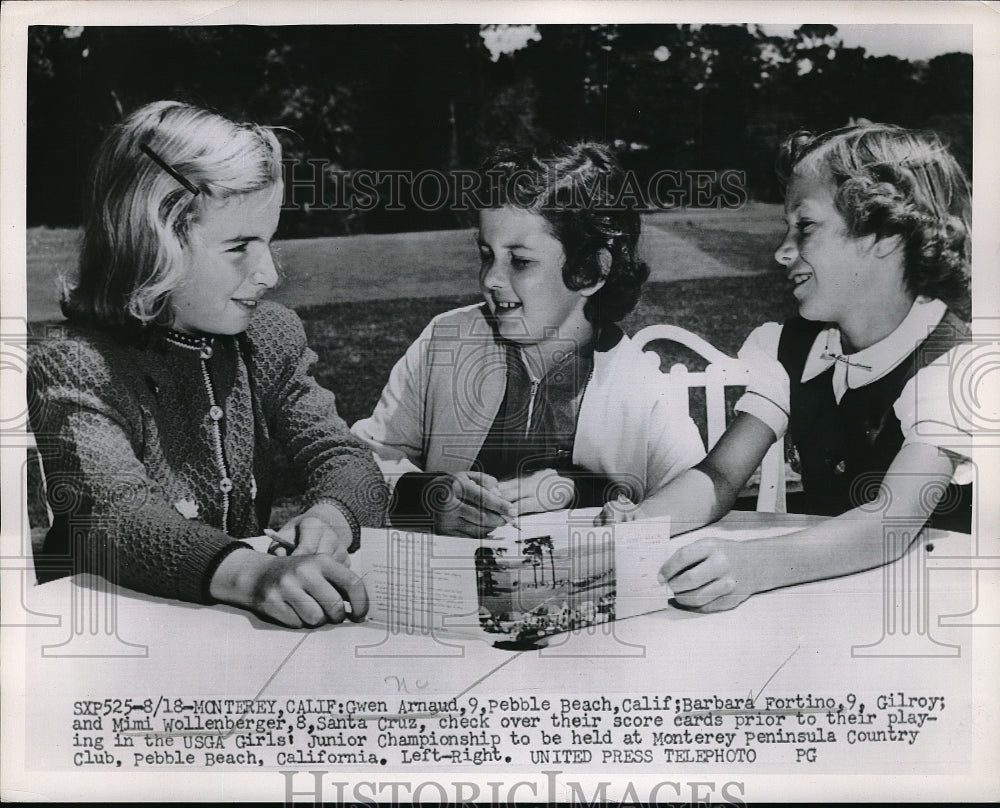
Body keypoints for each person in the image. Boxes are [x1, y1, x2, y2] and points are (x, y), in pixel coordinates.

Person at [28, 100, 388, 627]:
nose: (268, 274)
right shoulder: (76, 367)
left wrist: (331, 518)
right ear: (153, 243)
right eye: (240, 246)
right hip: (109, 632)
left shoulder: (267, 337)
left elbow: (343, 456)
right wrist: (254, 575)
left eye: (268, 242)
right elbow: (117, 518)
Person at [603, 123, 974, 612]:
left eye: (805, 226)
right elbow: (719, 477)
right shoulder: (788, 349)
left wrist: (754, 565)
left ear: (884, 235)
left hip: (930, 610)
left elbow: (889, 521)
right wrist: (645, 522)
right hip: (821, 602)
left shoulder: (955, 363)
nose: (782, 250)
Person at [352, 141, 706, 538]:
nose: (490, 279)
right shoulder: (447, 342)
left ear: (590, 270)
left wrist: (578, 490)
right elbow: (356, 467)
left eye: (519, 261)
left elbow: (692, 495)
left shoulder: (640, 388)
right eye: (487, 254)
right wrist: (427, 498)